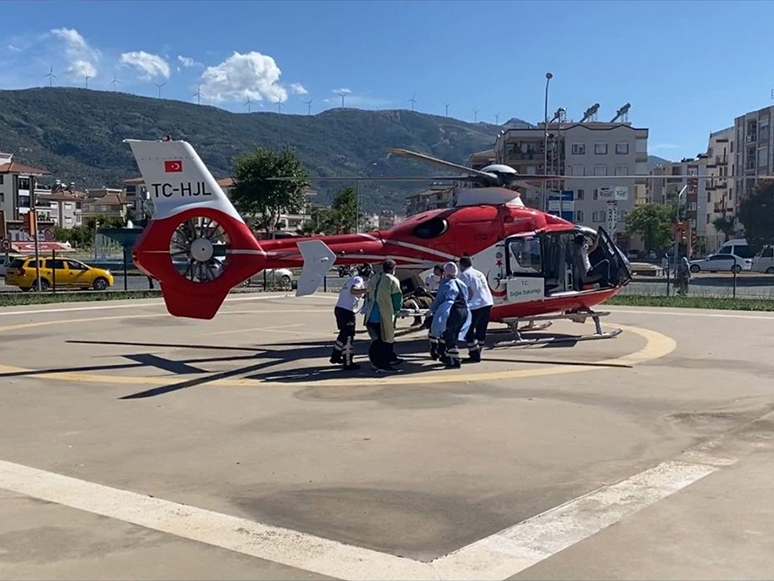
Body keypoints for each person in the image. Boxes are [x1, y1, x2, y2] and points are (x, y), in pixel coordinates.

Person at [363, 260, 403, 372]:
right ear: (392, 269)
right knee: (386, 341)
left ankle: (375, 363)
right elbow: (397, 298)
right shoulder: (392, 280)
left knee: (376, 341)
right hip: (383, 315)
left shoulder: (374, 278)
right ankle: (384, 365)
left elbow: (368, 294)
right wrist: (396, 310)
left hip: (371, 315)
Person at [330, 263, 372, 370]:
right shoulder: (359, 280)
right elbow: (353, 291)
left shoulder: (353, 279)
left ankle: (335, 356)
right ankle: (348, 362)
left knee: (343, 334)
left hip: (340, 309)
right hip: (347, 311)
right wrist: (367, 290)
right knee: (349, 337)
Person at [428, 262, 470, 369]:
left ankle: (454, 360)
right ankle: (446, 355)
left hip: (453, 311)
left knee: (448, 334)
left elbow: (439, 300)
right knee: (454, 334)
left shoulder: (446, 284)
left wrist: (431, 310)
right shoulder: (461, 283)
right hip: (464, 310)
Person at [458, 256, 494, 363]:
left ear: (461, 265)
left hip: (475, 305)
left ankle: (474, 354)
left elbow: (469, 291)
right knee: (481, 329)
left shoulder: (465, 275)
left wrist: (464, 302)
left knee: (468, 330)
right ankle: (478, 351)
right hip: (487, 303)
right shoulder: (479, 273)